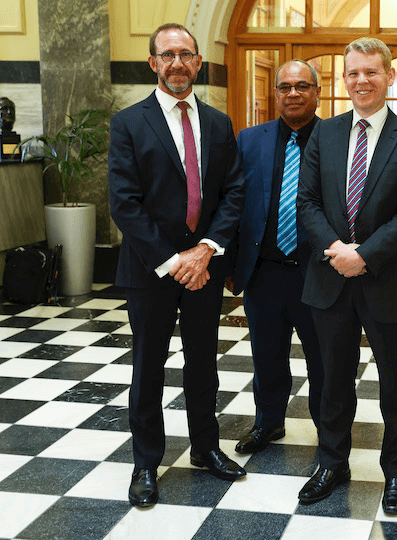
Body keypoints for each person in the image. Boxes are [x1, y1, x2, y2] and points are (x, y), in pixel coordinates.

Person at [108, 23, 246, 508]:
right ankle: (146, 461)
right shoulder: (128, 124)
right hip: (150, 271)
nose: (178, 63)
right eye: (168, 55)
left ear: (198, 62)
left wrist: (205, 250)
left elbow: (232, 193)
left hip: (204, 267)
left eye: (186, 54)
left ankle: (205, 447)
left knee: (204, 362)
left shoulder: (217, 123)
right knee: (148, 367)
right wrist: (174, 261)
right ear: (153, 63)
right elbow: (125, 205)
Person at [296, 37, 397, 516]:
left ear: (389, 76)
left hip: (386, 281)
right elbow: (307, 202)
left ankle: (396, 471)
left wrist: (365, 255)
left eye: (371, 72)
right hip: (330, 277)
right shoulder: (325, 133)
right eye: (353, 73)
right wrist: (337, 250)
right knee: (331, 380)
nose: (361, 81)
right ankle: (332, 463)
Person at [227, 60, 324, 454]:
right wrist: (232, 265)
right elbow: (232, 202)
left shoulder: (336, 139)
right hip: (264, 273)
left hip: (318, 275)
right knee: (267, 357)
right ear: (276, 94)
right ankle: (268, 423)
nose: (293, 93)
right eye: (285, 87)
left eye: (302, 86)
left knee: (324, 362)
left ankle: (329, 433)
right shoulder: (249, 140)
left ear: (317, 92)